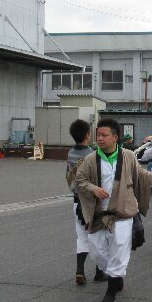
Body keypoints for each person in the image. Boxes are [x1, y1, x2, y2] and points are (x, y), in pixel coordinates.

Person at [75, 118, 152, 302]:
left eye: (104, 135)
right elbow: (80, 180)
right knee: (97, 253)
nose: (100, 138)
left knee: (119, 250)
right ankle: (116, 277)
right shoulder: (91, 159)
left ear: (115, 137)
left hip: (123, 213)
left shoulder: (128, 156)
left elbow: (139, 174)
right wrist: (93, 189)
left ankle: (111, 291)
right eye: (98, 135)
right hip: (99, 215)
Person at [66, 119, 104, 285]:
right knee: (98, 236)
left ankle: (79, 270)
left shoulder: (70, 154)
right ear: (88, 135)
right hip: (93, 201)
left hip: (77, 200)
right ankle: (99, 272)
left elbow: (69, 177)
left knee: (82, 237)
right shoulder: (93, 154)